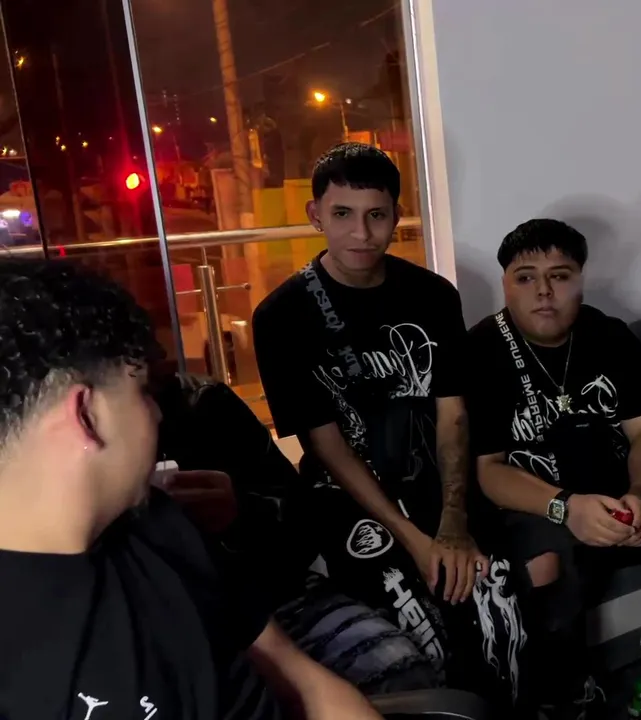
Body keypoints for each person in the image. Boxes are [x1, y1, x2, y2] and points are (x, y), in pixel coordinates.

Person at [0, 259, 379, 719]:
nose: (158, 414)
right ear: (86, 417)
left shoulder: (160, 527)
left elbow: (303, 681)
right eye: (142, 392)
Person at [253, 143, 524, 706]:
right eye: (342, 214)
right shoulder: (282, 316)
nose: (361, 233)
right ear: (315, 215)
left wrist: (453, 520)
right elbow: (325, 444)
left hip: (435, 484)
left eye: (376, 215)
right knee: (418, 621)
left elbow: (452, 413)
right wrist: (414, 540)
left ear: (396, 215)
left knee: (497, 605)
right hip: (347, 496)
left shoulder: (432, 295)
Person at [467, 219, 641, 719]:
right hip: (536, 501)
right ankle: (566, 693)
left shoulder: (608, 335)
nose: (544, 291)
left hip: (615, 488)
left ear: (580, 280)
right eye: (526, 277)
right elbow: (489, 471)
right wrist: (566, 508)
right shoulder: (481, 351)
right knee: (547, 557)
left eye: (559, 276)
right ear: (506, 284)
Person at [153, 372, 442, 696]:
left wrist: (239, 515)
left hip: (272, 598)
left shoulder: (204, 402)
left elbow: (299, 525)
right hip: (174, 635)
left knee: (399, 670)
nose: (152, 413)